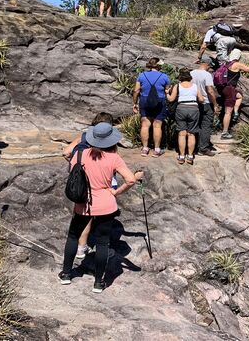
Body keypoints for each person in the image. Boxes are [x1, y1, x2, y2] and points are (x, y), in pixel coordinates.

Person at [59, 123, 144, 291]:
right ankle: (98, 282)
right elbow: (131, 180)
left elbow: (73, 171)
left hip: (83, 203)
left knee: (73, 237)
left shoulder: (80, 154)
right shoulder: (114, 158)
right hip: (106, 203)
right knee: (103, 243)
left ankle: (67, 274)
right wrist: (116, 192)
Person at [62, 112, 115, 259]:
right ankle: (102, 247)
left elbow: (65, 152)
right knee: (102, 214)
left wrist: (76, 165)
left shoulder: (83, 136)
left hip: (79, 178)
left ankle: (81, 248)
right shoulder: (109, 141)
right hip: (100, 180)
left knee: (84, 213)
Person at [218, 49, 249, 139]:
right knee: (227, 113)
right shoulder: (237, 64)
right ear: (238, 56)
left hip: (224, 88)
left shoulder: (227, 63)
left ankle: (236, 112)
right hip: (230, 89)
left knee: (239, 96)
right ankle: (224, 133)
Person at [132, 57, 171, 157]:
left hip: (144, 101)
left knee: (145, 125)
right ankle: (157, 150)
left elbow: (136, 90)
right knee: (157, 125)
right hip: (160, 101)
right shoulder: (164, 76)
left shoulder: (142, 75)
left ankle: (145, 148)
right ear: (158, 66)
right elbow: (167, 90)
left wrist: (135, 103)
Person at [167, 68, 204, 164]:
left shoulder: (177, 86)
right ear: (189, 77)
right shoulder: (195, 86)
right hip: (193, 108)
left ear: (180, 77)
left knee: (182, 133)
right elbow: (201, 99)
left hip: (181, 108)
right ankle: (190, 156)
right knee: (191, 133)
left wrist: (167, 93)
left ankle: (181, 156)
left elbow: (171, 99)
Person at [191, 57, 219, 156]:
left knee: (195, 125)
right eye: (209, 66)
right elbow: (210, 91)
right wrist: (215, 104)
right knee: (206, 126)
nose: (209, 68)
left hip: (193, 102)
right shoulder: (207, 75)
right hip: (206, 103)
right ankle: (203, 148)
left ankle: (193, 148)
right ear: (207, 64)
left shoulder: (192, 73)